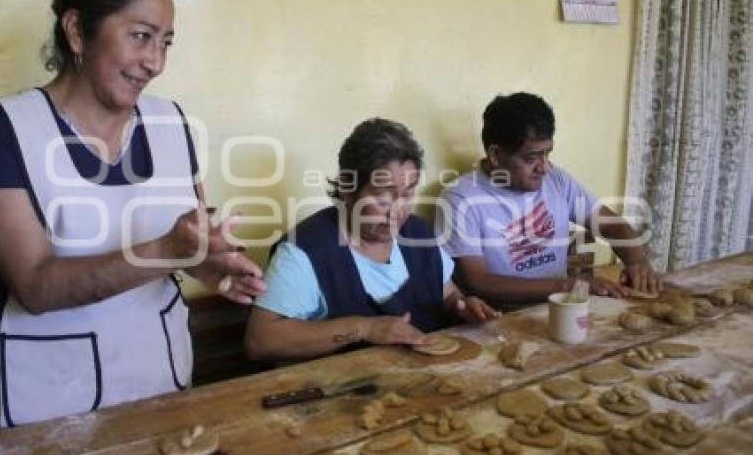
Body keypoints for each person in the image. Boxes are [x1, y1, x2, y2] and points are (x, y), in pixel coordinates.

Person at [0, 0, 265, 428]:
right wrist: (165, 249)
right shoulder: (5, 129)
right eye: (140, 36)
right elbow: (35, 286)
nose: (155, 62)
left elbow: (188, 244)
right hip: (52, 398)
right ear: (77, 30)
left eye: (166, 42)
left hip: (159, 375)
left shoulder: (171, 122)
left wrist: (212, 263)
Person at [245, 118, 499, 362]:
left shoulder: (417, 233)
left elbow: (448, 295)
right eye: (382, 197)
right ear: (347, 188)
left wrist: (463, 307)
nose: (396, 211)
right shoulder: (305, 251)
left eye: (407, 195)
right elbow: (260, 342)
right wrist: (364, 328)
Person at [435, 92, 662, 310]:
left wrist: (637, 261)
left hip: (559, 309)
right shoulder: (460, 198)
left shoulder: (556, 180)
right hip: (498, 320)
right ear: (495, 155)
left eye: (548, 154)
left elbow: (612, 225)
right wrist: (569, 286)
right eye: (531, 157)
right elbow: (480, 281)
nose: (543, 167)